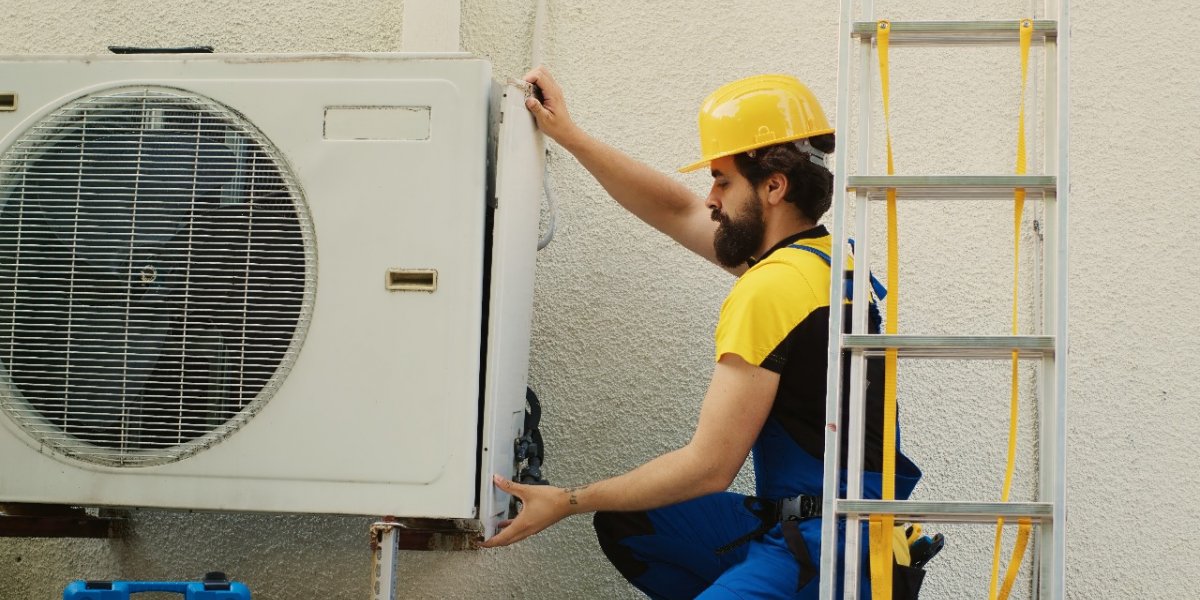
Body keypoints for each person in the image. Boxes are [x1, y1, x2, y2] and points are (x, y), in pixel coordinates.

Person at [481, 67, 923, 599]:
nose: (710, 198)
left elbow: (708, 468)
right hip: (850, 528)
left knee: (620, 504)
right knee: (633, 521)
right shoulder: (826, 262)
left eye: (722, 180)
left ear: (774, 186)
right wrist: (570, 135)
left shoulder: (771, 289)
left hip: (825, 548)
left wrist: (569, 500)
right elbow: (676, 209)